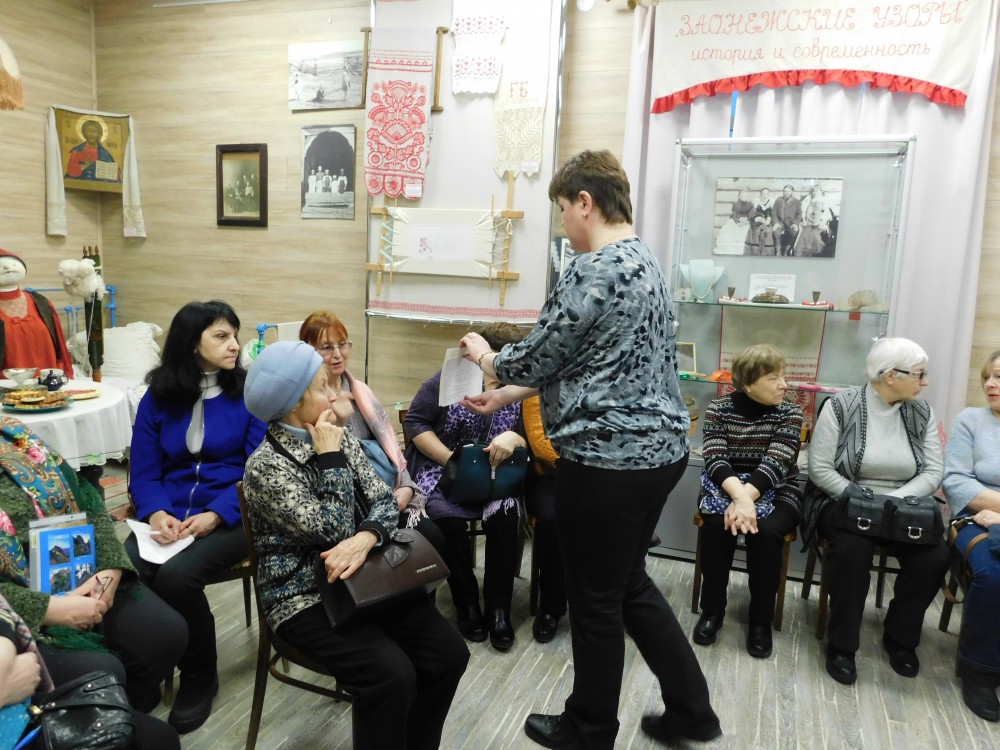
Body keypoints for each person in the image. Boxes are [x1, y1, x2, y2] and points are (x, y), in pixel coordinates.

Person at [460, 150, 720, 748]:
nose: (561, 224)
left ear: (585, 202)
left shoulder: (592, 269)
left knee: (596, 600)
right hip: (658, 453)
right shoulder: (645, 261)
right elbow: (594, 360)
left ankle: (589, 728)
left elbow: (535, 354)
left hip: (606, 460)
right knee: (627, 586)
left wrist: (487, 357)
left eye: (561, 209)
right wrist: (509, 396)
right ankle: (692, 710)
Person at [242, 341, 469, 750]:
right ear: (293, 405)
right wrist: (329, 459)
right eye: (322, 387)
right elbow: (330, 530)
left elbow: (384, 500)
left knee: (449, 655)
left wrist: (366, 537)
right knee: (390, 676)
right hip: (303, 595)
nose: (334, 395)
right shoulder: (265, 466)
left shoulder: (339, 437)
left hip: (366, 575)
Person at [0, 419, 185, 749]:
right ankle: (105, 723)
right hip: (19, 616)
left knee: (166, 634)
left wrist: (110, 571)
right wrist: (48, 608)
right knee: (101, 671)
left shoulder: (14, 434)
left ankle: (125, 714)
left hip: (83, 573)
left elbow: (88, 499)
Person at [128, 300, 266, 733]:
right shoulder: (158, 397)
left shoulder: (249, 395)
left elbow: (258, 471)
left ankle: (200, 674)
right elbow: (143, 470)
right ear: (192, 343)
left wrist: (217, 514)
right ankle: (147, 667)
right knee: (130, 567)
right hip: (169, 513)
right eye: (222, 336)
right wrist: (156, 512)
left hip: (236, 514)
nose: (234, 345)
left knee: (175, 577)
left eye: (235, 335)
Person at [803, 337, 949, 686]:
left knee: (935, 556)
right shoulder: (841, 406)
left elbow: (933, 472)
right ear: (890, 375)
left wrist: (892, 503)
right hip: (844, 501)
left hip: (903, 506)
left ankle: (900, 638)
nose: (925, 381)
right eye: (919, 374)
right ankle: (842, 645)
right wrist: (865, 500)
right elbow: (820, 469)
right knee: (852, 550)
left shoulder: (922, 413)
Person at [404, 322, 528, 652]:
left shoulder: (521, 387)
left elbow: (528, 437)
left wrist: (513, 437)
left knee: (505, 516)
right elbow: (415, 422)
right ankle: (466, 602)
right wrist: (453, 461)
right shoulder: (449, 378)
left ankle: (498, 609)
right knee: (446, 521)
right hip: (442, 469)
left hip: (495, 473)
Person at [692, 345, 802, 659]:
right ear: (748, 384)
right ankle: (712, 611)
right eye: (774, 378)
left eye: (783, 376)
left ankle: (760, 620)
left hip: (779, 489)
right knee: (717, 526)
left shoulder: (790, 412)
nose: (783, 384)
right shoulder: (719, 409)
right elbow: (715, 458)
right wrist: (741, 499)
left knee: (765, 532)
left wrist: (744, 499)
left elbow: (777, 462)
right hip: (724, 488)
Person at [297, 311, 437, 543]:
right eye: (327, 347)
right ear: (307, 352)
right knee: (424, 538)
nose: (337, 354)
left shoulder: (361, 392)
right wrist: (338, 423)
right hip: (351, 503)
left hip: (386, 491)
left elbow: (392, 449)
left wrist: (407, 487)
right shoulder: (309, 402)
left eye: (343, 344)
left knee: (433, 536)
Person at [942, 349, 1000, 722]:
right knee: (994, 574)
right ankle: (980, 672)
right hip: (975, 519)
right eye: (988, 377)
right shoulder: (971, 421)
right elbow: (957, 483)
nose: (990, 384)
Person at [522, 395, 567, 643]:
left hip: (595, 475)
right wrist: (583, 465)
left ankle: (617, 602)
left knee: (617, 514)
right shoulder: (537, 389)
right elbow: (541, 444)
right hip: (549, 474)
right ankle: (551, 606)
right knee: (553, 520)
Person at [0, 249, 74, 377]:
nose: (7, 268)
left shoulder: (41, 303)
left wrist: (67, 374)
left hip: (49, 381)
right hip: (8, 385)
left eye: (13, 264)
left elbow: (60, 344)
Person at [714, 189, 753, 255]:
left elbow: (751, 214)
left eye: (745, 196)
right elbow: (734, 214)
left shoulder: (750, 204)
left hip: (746, 221)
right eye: (742, 196)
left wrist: (747, 220)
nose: (743, 197)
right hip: (737, 221)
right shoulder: (735, 204)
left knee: (745, 233)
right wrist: (738, 221)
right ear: (739, 196)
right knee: (729, 233)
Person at [794, 186, 827, 257]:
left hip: (820, 223)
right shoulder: (811, 200)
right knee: (804, 236)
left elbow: (826, 213)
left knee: (816, 237)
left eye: (817, 191)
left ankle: (815, 255)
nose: (815, 192)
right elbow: (808, 211)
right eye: (814, 191)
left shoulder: (824, 200)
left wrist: (820, 221)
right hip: (811, 222)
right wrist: (807, 219)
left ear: (821, 192)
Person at [744, 188, 776, 256]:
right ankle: (755, 251)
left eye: (766, 194)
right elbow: (752, 213)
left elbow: (772, 213)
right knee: (756, 231)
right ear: (760, 194)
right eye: (763, 194)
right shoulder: (756, 201)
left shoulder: (771, 202)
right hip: (757, 219)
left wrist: (769, 218)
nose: (765, 196)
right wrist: (758, 218)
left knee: (768, 231)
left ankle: (766, 252)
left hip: (767, 220)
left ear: (768, 194)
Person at [772, 184, 802, 256]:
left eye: (788, 191)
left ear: (792, 192)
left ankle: (786, 251)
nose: (786, 193)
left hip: (791, 223)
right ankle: (778, 252)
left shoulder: (797, 202)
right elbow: (773, 212)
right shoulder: (779, 200)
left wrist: (795, 223)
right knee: (776, 232)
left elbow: (799, 215)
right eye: (785, 191)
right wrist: (776, 222)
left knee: (794, 232)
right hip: (780, 222)